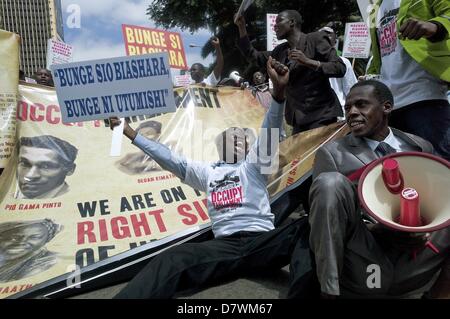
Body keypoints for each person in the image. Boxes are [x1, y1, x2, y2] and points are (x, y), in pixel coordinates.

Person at [111, 58, 312, 299]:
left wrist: (278, 96)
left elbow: (268, 135)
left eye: (244, 138)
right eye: (233, 135)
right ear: (220, 145)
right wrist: (132, 134)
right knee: (172, 257)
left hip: (262, 242)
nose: (240, 139)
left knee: (308, 227)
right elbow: (170, 159)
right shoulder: (207, 172)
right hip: (224, 248)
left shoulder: (253, 168)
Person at [309, 80, 450, 298]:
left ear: (386, 107)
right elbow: (324, 216)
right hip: (366, 257)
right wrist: (377, 229)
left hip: (415, 256)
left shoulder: (420, 146)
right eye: (347, 108)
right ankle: (329, 292)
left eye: (361, 105)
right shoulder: (332, 153)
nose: (352, 113)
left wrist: (424, 227)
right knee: (329, 183)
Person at [235, 10, 346, 134]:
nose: (274, 26)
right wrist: (241, 27)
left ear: (292, 22)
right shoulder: (279, 51)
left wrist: (308, 62)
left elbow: (339, 67)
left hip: (321, 115)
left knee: (319, 154)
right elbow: (254, 56)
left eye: (279, 21)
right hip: (297, 121)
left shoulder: (315, 39)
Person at [367, 0, 450, 160]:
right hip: (389, 107)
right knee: (406, 174)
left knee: (441, 169)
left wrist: (435, 26)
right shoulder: (374, 8)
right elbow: (380, 55)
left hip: (424, 97)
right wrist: (371, 77)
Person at [319, 26, 357, 119]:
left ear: (335, 41)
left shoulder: (344, 62)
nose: (324, 36)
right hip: (317, 115)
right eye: (321, 34)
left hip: (339, 115)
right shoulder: (308, 62)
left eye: (328, 34)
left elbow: (351, 90)